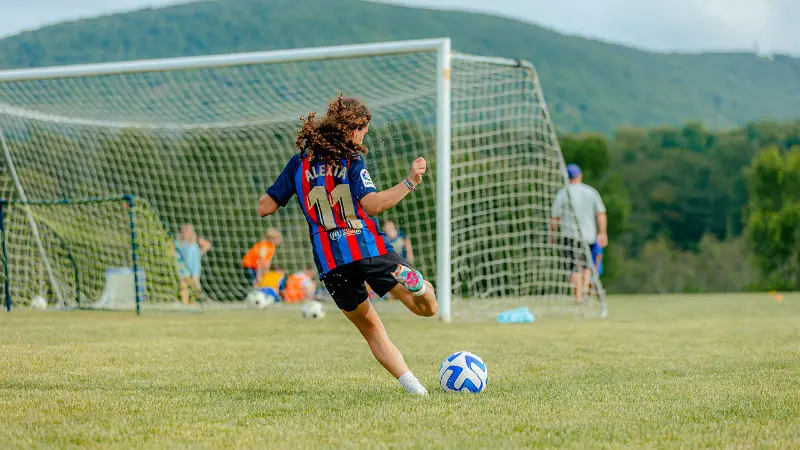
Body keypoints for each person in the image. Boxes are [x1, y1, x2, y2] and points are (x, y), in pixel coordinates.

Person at [258, 94, 437, 396]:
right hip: (367, 249)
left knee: (372, 331)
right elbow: (373, 205)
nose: (364, 137)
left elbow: (265, 207)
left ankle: (417, 390)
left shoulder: (299, 162)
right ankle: (419, 286)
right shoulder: (352, 160)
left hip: (331, 263)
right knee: (427, 308)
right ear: (353, 129)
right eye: (364, 131)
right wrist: (410, 182)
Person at [549, 164, 607, 304]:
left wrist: (551, 235)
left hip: (570, 236)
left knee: (574, 268)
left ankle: (579, 296)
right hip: (589, 236)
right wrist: (602, 233)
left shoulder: (563, 193)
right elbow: (601, 214)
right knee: (587, 266)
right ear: (580, 175)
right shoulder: (591, 192)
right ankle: (585, 291)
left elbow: (555, 218)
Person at [174, 224, 212, 304]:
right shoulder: (178, 243)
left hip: (194, 267)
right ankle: (185, 303)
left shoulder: (195, 242)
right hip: (183, 267)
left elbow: (207, 246)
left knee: (195, 283)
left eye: (189, 231)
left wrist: (201, 246)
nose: (187, 233)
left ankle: (198, 300)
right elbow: (174, 253)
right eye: (186, 231)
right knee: (184, 284)